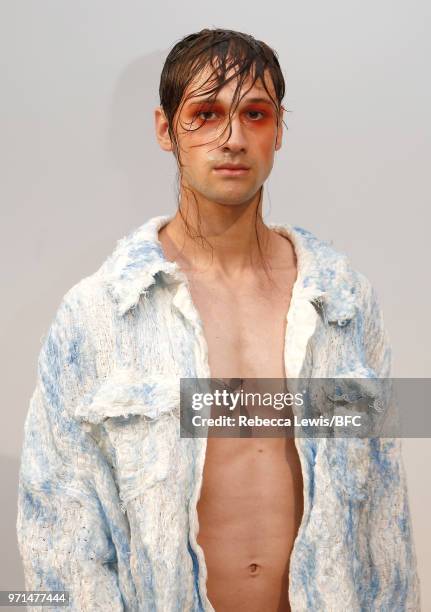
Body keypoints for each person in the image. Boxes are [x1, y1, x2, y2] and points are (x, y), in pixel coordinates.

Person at [16, 28, 421, 611]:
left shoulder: (344, 304)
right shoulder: (99, 315)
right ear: (165, 129)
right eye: (205, 114)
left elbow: (385, 519)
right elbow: (60, 535)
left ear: (279, 129)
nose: (231, 138)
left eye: (253, 114)